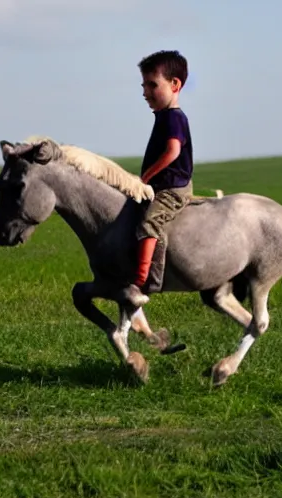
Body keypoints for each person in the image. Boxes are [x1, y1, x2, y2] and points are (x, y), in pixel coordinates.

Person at [121, 50, 194, 308]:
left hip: (173, 189)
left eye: (153, 85)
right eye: (144, 85)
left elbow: (172, 151)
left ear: (175, 85)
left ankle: (142, 281)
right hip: (160, 186)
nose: (145, 92)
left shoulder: (174, 117)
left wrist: (145, 177)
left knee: (150, 223)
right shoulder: (163, 116)